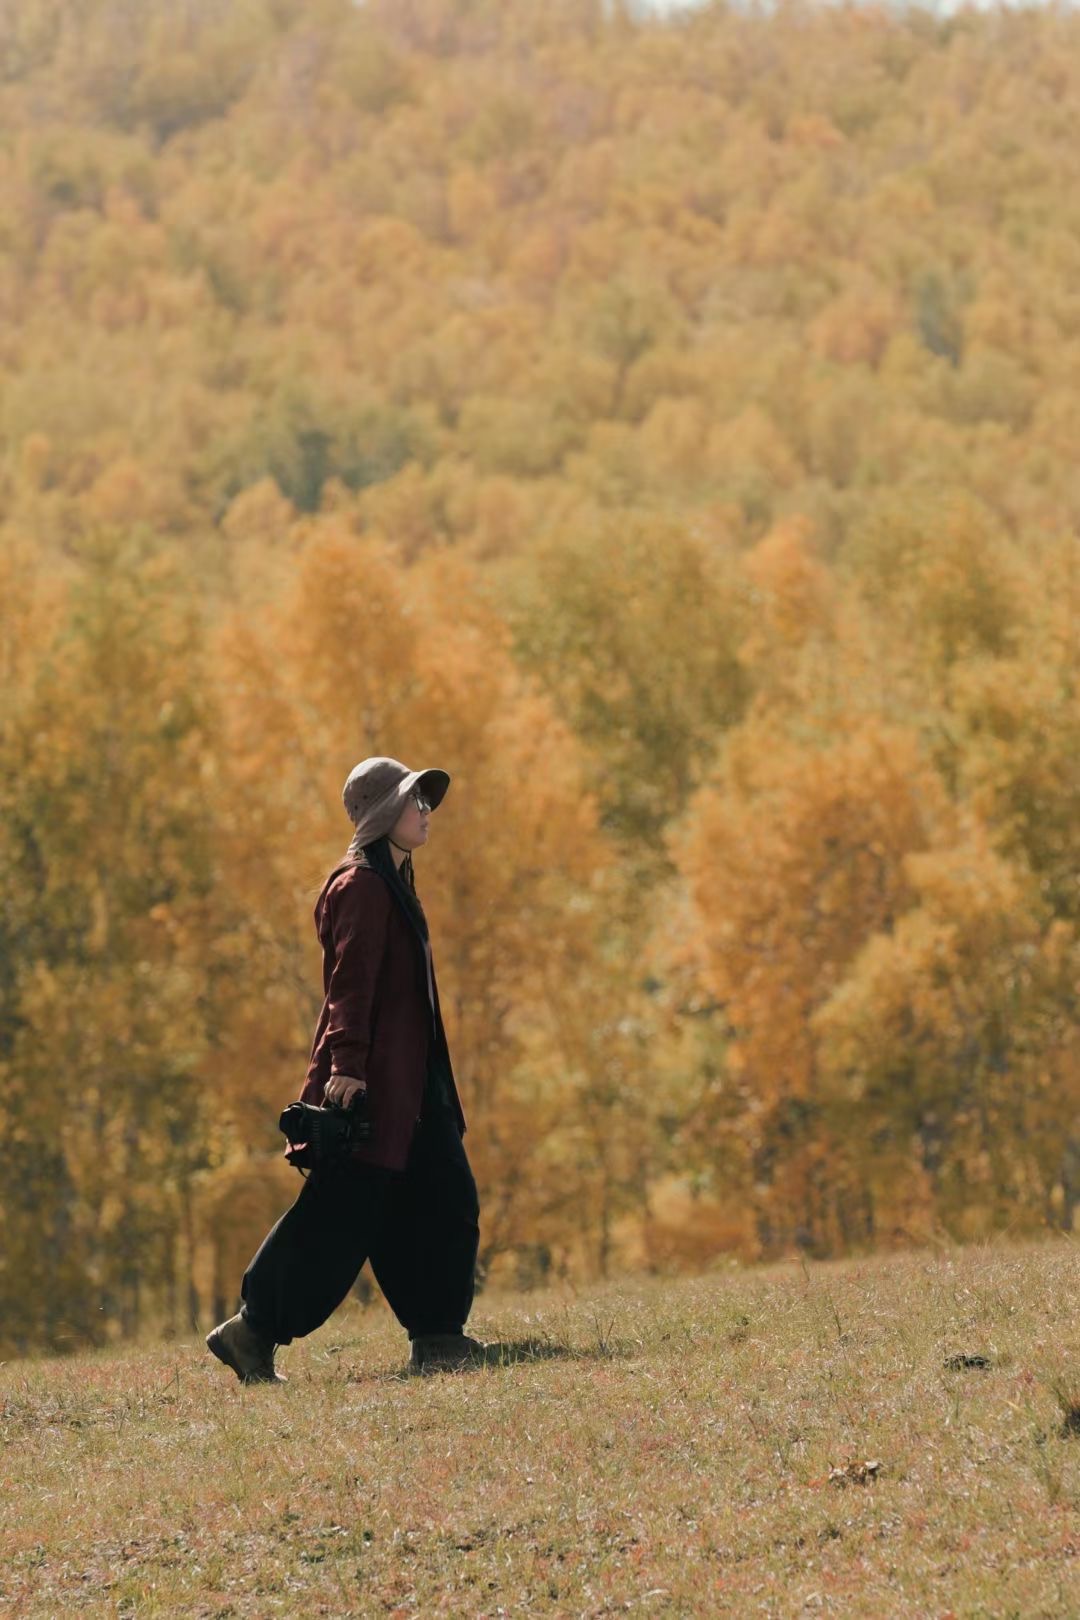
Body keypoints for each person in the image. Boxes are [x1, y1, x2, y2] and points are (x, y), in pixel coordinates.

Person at [207, 756, 486, 1383]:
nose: (426, 811)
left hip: (415, 1087)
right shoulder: (359, 885)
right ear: (384, 812)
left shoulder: (393, 878)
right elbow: (348, 988)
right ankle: (251, 1332)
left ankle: (439, 1338)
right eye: (415, 801)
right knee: (339, 1222)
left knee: (443, 1201)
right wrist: (350, 1068)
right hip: (374, 1086)